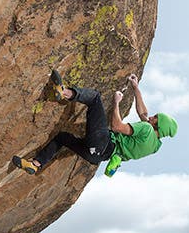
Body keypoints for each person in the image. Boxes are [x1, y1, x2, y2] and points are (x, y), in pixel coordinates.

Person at [13, 70, 177, 177]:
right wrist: (136, 88)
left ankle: (63, 92)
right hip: (96, 156)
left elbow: (117, 126)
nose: (151, 117)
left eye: (156, 117)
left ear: (158, 125)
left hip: (103, 142)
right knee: (62, 137)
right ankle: (35, 164)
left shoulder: (147, 129)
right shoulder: (154, 145)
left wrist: (116, 102)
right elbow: (143, 114)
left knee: (94, 98)